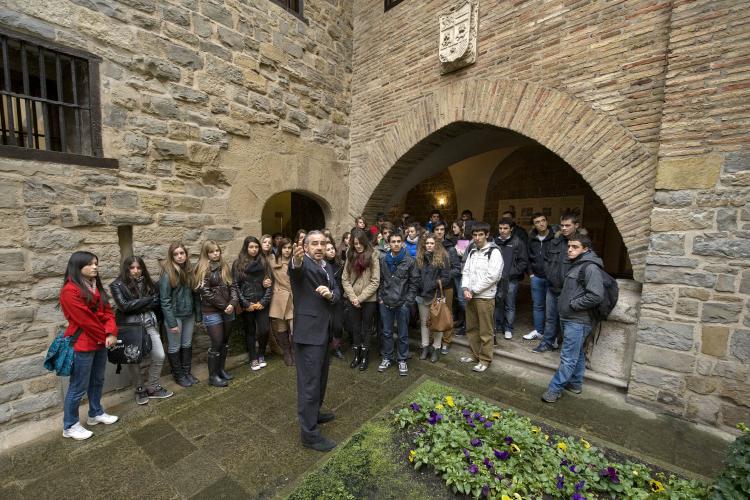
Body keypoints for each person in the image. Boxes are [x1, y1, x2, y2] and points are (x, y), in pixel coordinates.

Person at [289, 231, 340, 452]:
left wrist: (331, 295)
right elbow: (295, 268)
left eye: (322, 243)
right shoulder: (303, 265)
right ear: (306, 247)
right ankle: (309, 435)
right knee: (309, 385)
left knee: (320, 379)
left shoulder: (326, 266)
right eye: (314, 244)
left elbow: (336, 290)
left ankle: (315, 413)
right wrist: (297, 259)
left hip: (324, 332)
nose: (319, 247)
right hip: (308, 335)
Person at [60, 251, 119, 440]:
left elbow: (108, 311)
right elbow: (86, 320)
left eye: (96, 263)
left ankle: (95, 413)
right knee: (78, 386)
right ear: (78, 267)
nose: (95, 267)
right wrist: (105, 334)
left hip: (101, 340)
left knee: (98, 380)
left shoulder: (96, 287)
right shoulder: (70, 291)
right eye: (90, 264)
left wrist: (111, 332)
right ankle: (70, 425)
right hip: (83, 343)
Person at [542, 233, 603, 403]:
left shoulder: (590, 268)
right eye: (569, 246)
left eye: (575, 247)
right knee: (577, 354)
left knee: (568, 357)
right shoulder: (576, 265)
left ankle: (554, 390)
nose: (570, 249)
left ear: (585, 249)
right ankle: (575, 384)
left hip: (578, 320)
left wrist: (574, 305)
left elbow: (596, 295)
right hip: (569, 318)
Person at [111, 256, 173, 404]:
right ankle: (140, 389)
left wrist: (138, 303)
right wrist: (147, 300)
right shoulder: (117, 285)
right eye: (132, 268)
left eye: (138, 267)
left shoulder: (148, 283)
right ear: (126, 269)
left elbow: (157, 302)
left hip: (150, 324)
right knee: (133, 359)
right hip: (131, 328)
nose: (136, 271)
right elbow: (124, 306)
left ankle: (153, 386)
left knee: (159, 355)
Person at [532, 213, 584, 353]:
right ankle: (547, 342)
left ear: (576, 225)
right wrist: (550, 276)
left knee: (566, 320)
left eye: (568, 225)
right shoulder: (555, 241)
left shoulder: (581, 243)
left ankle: (566, 348)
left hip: (569, 290)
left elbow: (584, 267)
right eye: (562, 225)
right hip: (552, 286)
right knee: (550, 318)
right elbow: (547, 262)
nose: (564, 228)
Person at [460, 222, 503, 373]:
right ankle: (474, 354)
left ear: (486, 235)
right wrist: (465, 288)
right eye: (475, 235)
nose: (477, 238)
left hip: (485, 297)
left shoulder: (494, 252)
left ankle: (485, 359)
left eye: (480, 235)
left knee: (485, 330)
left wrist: (473, 290)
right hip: (470, 295)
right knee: (472, 328)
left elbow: (492, 276)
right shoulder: (472, 251)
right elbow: (465, 271)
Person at [195, 240, 238, 387]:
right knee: (217, 342)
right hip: (212, 311)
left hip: (228, 310)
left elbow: (233, 286)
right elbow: (205, 292)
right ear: (206, 253)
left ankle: (221, 371)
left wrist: (232, 303)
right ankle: (213, 377)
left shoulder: (224, 266)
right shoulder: (202, 269)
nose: (215, 254)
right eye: (212, 251)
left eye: (217, 251)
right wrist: (225, 305)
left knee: (224, 342)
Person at [377, 232, 419, 376]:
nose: (395, 244)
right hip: (385, 302)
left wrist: (408, 302)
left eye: (398, 241)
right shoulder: (383, 260)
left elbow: (414, 283)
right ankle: (387, 357)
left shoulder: (409, 261)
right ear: (388, 244)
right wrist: (380, 298)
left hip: (402, 303)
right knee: (387, 332)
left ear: (402, 243)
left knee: (402, 334)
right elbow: (380, 281)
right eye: (393, 241)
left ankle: (402, 359)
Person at [159, 242, 200, 387]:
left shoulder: (189, 271)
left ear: (186, 254)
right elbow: (164, 300)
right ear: (171, 257)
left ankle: (187, 372)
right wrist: (171, 323)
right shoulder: (167, 273)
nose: (180, 256)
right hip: (175, 317)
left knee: (187, 343)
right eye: (176, 254)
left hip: (189, 314)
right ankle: (179, 375)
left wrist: (198, 315)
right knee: (175, 346)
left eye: (182, 253)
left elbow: (195, 294)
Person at [341, 229, 380, 371]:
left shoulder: (373, 255)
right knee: (355, 328)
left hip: (368, 299)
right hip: (352, 299)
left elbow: (375, 281)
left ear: (364, 241)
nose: (358, 246)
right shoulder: (349, 254)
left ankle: (365, 356)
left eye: (360, 243)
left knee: (367, 329)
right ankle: (356, 355)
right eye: (355, 243)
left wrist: (360, 298)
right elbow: (345, 279)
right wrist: (353, 297)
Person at [233, 236, 273, 371]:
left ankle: (261, 354)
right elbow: (236, 285)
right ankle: (253, 358)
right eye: (251, 247)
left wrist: (264, 301)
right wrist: (245, 303)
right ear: (246, 248)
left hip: (262, 302)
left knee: (264, 329)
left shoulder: (264, 262)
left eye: (256, 247)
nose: (254, 249)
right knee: (250, 331)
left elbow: (269, 283)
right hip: (247, 304)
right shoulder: (238, 264)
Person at [415, 233, 451, 363]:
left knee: (438, 323)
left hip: (436, 295)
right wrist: (420, 285)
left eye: (432, 243)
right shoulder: (419, 258)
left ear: (436, 244)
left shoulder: (443, 257)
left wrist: (432, 284)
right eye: (427, 243)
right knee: (424, 322)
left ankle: (436, 348)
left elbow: (446, 278)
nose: (429, 246)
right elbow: (416, 275)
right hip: (421, 295)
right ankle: (425, 346)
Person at [493, 218, 528, 341]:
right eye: (500, 228)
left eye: (505, 228)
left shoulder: (518, 242)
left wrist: (512, 272)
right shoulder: (494, 242)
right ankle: (497, 325)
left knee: (509, 304)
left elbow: (523, 262)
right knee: (497, 303)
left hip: (511, 279)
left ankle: (508, 328)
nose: (502, 231)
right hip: (496, 279)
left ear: (511, 229)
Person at [524, 213, 554, 341]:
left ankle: (551, 335)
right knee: (538, 306)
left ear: (547, 221)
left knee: (551, 307)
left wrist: (553, 275)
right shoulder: (531, 239)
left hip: (551, 278)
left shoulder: (555, 238)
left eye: (543, 220)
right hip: (536, 278)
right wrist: (530, 274)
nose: (541, 223)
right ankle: (539, 331)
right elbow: (527, 258)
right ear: (534, 225)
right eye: (537, 222)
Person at [433, 220, 461, 353]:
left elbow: (457, 268)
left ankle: (446, 341)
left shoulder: (451, 248)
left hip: (447, 286)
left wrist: (444, 278)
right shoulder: (429, 245)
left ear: (445, 231)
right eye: (437, 229)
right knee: (433, 313)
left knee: (446, 313)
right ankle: (435, 340)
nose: (439, 232)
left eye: (442, 230)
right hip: (432, 287)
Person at [270, 238, 295, 366]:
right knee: (281, 326)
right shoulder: (274, 261)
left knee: (294, 327)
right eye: (284, 247)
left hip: (293, 297)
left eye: (289, 248)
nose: (287, 250)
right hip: (279, 297)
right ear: (280, 248)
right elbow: (266, 274)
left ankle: (295, 352)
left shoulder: (295, 261)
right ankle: (286, 352)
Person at [325, 240, 346, 360]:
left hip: (338, 299)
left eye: (332, 248)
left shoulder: (341, 264)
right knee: (327, 325)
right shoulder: (321, 265)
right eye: (328, 249)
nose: (331, 251)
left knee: (338, 325)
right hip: (325, 299)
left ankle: (336, 347)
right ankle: (327, 348)